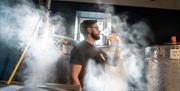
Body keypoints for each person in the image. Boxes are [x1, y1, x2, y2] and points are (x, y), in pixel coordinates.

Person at [70, 20, 108, 91]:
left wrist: (117, 42)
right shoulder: (80, 48)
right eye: (96, 28)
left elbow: (114, 62)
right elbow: (73, 76)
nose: (99, 31)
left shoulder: (99, 50)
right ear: (89, 30)